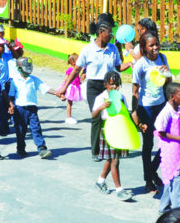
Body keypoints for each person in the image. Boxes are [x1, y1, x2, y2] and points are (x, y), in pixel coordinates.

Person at [57, 13, 132, 159]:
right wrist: (65, 87)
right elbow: (77, 70)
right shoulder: (88, 50)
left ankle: (113, 146)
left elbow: (118, 67)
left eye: (112, 33)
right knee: (97, 116)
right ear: (100, 33)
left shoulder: (113, 49)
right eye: (109, 33)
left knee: (112, 116)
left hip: (109, 87)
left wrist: (128, 64)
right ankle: (95, 151)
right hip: (93, 87)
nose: (111, 35)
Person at [131, 31, 172, 192]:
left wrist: (166, 73)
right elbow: (135, 91)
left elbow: (169, 82)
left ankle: (153, 170)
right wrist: (135, 113)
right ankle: (148, 180)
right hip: (146, 108)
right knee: (148, 145)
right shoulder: (141, 64)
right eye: (151, 45)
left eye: (157, 44)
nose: (155, 47)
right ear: (144, 47)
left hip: (161, 106)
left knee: (166, 141)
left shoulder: (162, 58)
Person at [91, 70, 137, 201]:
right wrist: (101, 107)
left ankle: (100, 181)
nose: (114, 87)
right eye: (111, 84)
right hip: (107, 130)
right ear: (105, 84)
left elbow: (126, 113)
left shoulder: (121, 97)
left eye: (117, 84)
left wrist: (136, 127)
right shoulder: (100, 98)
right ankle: (119, 190)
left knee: (112, 159)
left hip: (120, 129)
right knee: (115, 160)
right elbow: (93, 115)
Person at [8, 57, 58, 159]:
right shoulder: (14, 80)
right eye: (26, 67)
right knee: (21, 131)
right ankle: (21, 148)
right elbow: (11, 96)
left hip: (32, 109)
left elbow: (45, 88)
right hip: (19, 109)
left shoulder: (34, 79)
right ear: (20, 68)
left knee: (36, 129)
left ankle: (42, 148)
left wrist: (57, 93)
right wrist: (10, 106)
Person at [154, 82, 180, 213]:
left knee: (171, 178)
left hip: (177, 150)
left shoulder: (178, 111)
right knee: (176, 179)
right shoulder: (166, 112)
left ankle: (164, 207)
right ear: (172, 96)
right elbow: (160, 131)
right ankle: (178, 210)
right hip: (169, 151)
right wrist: (179, 139)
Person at [63, 53, 83, 124]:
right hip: (71, 88)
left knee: (70, 103)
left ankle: (70, 116)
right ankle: (68, 117)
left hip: (75, 87)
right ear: (74, 62)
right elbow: (66, 79)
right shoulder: (70, 69)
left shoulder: (76, 69)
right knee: (69, 103)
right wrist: (64, 88)